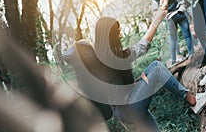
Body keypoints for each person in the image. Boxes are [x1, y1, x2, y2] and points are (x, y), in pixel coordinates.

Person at [63, 8, 196, 131]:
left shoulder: (101, 60)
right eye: (118, 32)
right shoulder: (113, 58)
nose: (120, 36)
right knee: (156, 67)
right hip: (130, 107)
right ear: (110, 36)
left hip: (126, 109)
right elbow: (142, 46)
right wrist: (156, 21)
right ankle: (189, 97)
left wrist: (137, 83)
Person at [152, 0, 194, 64]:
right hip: (180, 12)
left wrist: (165, 15)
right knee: (187, 35)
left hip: (170, 17)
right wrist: (183, 9)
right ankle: (191, 53)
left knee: (173, 39)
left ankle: (174, 59)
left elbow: (155, 11)